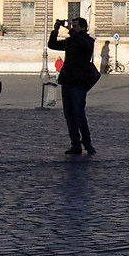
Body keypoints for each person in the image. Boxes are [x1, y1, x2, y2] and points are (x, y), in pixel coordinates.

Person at [49, 17, 98, 154]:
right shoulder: (72, 40)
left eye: (76, 26)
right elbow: (52, 45)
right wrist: (56, 30)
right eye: (73, 26)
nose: (73, 28)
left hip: (79, 81)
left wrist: (72, 32)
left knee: (78, 114)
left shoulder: (88, 40)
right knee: (69, 114)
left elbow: (84, 45)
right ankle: (75, 143)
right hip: (67, 81)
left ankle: (87, 143)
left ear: (83, 27)